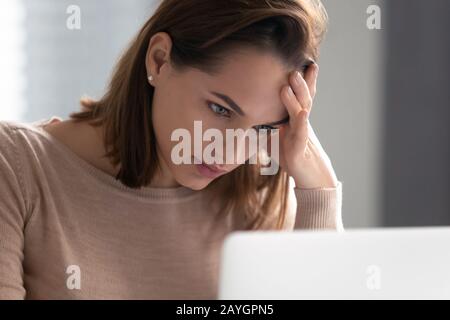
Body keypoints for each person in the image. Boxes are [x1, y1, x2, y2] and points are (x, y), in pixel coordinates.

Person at [0, 0, 343, 299]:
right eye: (221, 110)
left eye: (262, 128)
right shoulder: (17, 167)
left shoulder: (259, 192)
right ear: (159, 60)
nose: (231, 154)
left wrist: (318, 185)